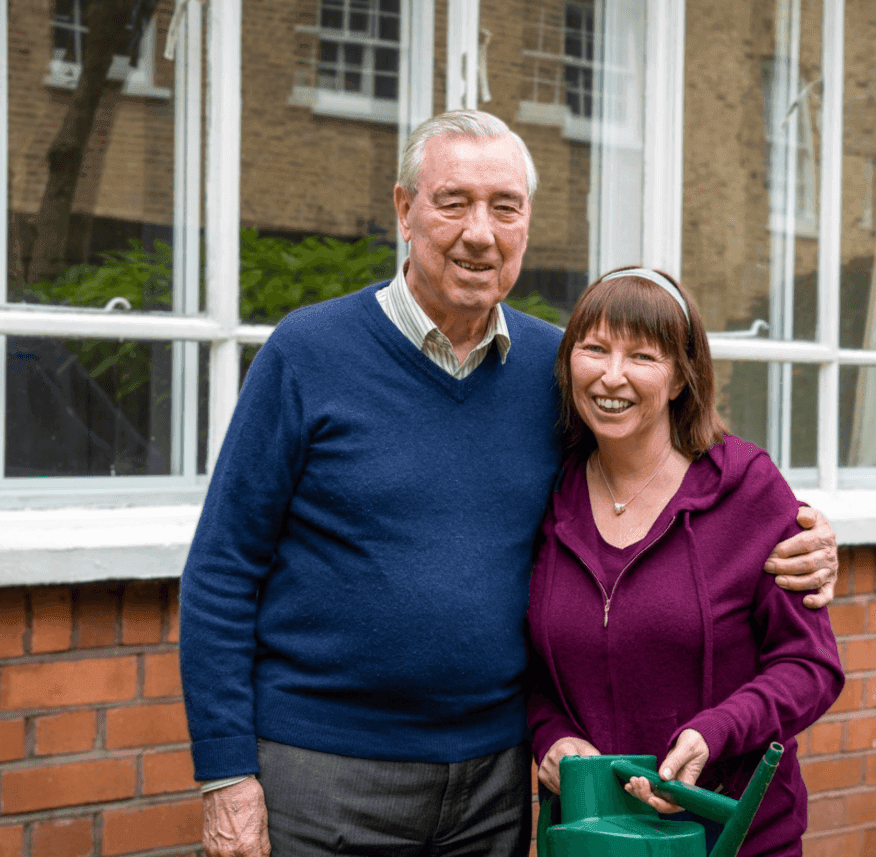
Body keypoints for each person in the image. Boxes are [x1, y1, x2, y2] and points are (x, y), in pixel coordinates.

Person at [179, 112, 839, 857]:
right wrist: (225, 773)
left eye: (505, 207)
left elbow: (671, 479)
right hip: (328, 768)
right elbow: (222, 571)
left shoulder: (557, 370)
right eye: (452, 201)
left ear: (527, 223)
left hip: (493, 785)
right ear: (403, 210)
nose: (479, 232)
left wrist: (805, 534)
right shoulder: (307, 353)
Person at [526, 267, 846, 857]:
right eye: (593, 349)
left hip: (732, 841)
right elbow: (527, 666)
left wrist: (715, 734)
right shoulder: (547, 494)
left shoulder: (748, 492)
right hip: (593, 839)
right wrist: (548, 735)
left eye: (643, 356)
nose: (611, 375)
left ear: (680, 379)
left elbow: (811, 665)